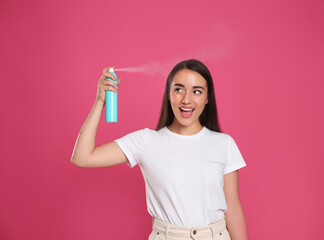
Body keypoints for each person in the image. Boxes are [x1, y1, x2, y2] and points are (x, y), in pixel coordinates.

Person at [71, 59, 249, 240]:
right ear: (169, 94)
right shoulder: (146, 141)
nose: (186, 99)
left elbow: (233, 209)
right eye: (179, 89)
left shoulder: (224, 144)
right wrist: (100, 100)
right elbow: (82, 157)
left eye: (197, 91)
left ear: (207, 98)